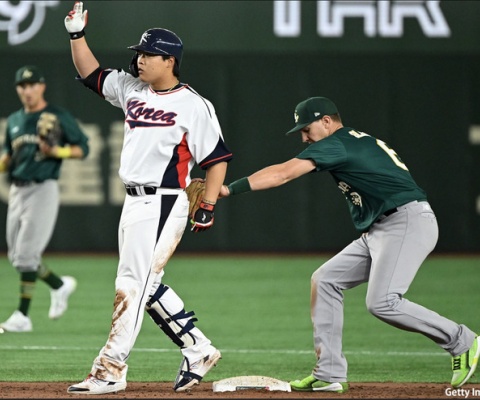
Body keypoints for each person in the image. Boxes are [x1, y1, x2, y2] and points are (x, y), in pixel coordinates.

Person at [220, 96, 479, 393]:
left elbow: (282, 174)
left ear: (326, 121)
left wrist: (227, 189)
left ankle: (463, 341)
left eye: (307, 129)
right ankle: (329, 372)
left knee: (383, 302)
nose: (304, 137)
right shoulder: (355, 140)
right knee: (325, 280)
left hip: (405, 221)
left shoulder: (337, 143)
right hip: (382, 227)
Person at [63, 1, 233, 395]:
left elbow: (217, 159)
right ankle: (199, 349)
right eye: (138, 53)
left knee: (131, 284)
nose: (139, 60)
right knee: (147, 284)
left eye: (148, 54)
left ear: (169, 61)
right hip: (134, 200)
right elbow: (91, 74)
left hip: (163, 201)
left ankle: (110, 369)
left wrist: (207, 205)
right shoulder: (132, 89)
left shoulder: (194, 105)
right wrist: (77, 35)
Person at [0, 65, 90, 333]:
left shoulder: (57, 116)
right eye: (22, 86)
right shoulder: (14, 120)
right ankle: (59, 286)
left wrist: (57, 152)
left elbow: (83, 148)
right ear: (18, 90)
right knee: (17, 257)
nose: (27, 90)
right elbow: (7, 156)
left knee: (26, 255)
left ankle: (22, 316)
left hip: (43, 188)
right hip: (17, 190)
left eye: (32, 85)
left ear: (42, 87)